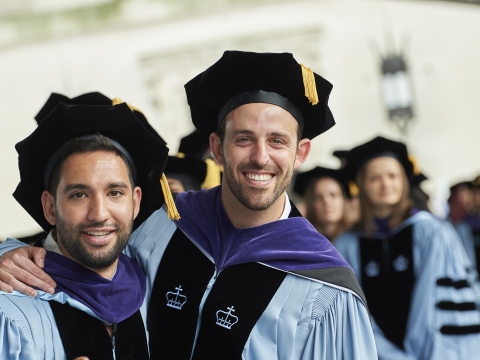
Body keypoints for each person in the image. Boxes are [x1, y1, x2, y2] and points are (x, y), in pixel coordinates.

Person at [0, 51, 377, 359]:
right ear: (216, 148)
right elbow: (82, 250)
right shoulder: (163, 225)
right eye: (243, 139)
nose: (260, 157)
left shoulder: (326, 291)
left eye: (277, 141)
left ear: (301, 152)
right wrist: (12, 253)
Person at [0, 99, 171, 359]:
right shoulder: (9, 311)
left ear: (135, 203)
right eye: (79, 195)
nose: (99, 214)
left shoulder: (153, 289)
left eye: (114, 192)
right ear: (49, 207)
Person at [335, 136, 480, 360]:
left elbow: (444, 307)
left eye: (393, 176)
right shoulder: (347, 245)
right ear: (361, 184)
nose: (386, 184)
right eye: (375, 178)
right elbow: (351, 313)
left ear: (404, 180)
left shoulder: (433, 232)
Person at [293, 166, 350, 241]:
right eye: (318, 197)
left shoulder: (359, 240)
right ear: (311, 203)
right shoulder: (301, 240)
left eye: (333, 195)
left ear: (343, 200)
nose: (326, 201)